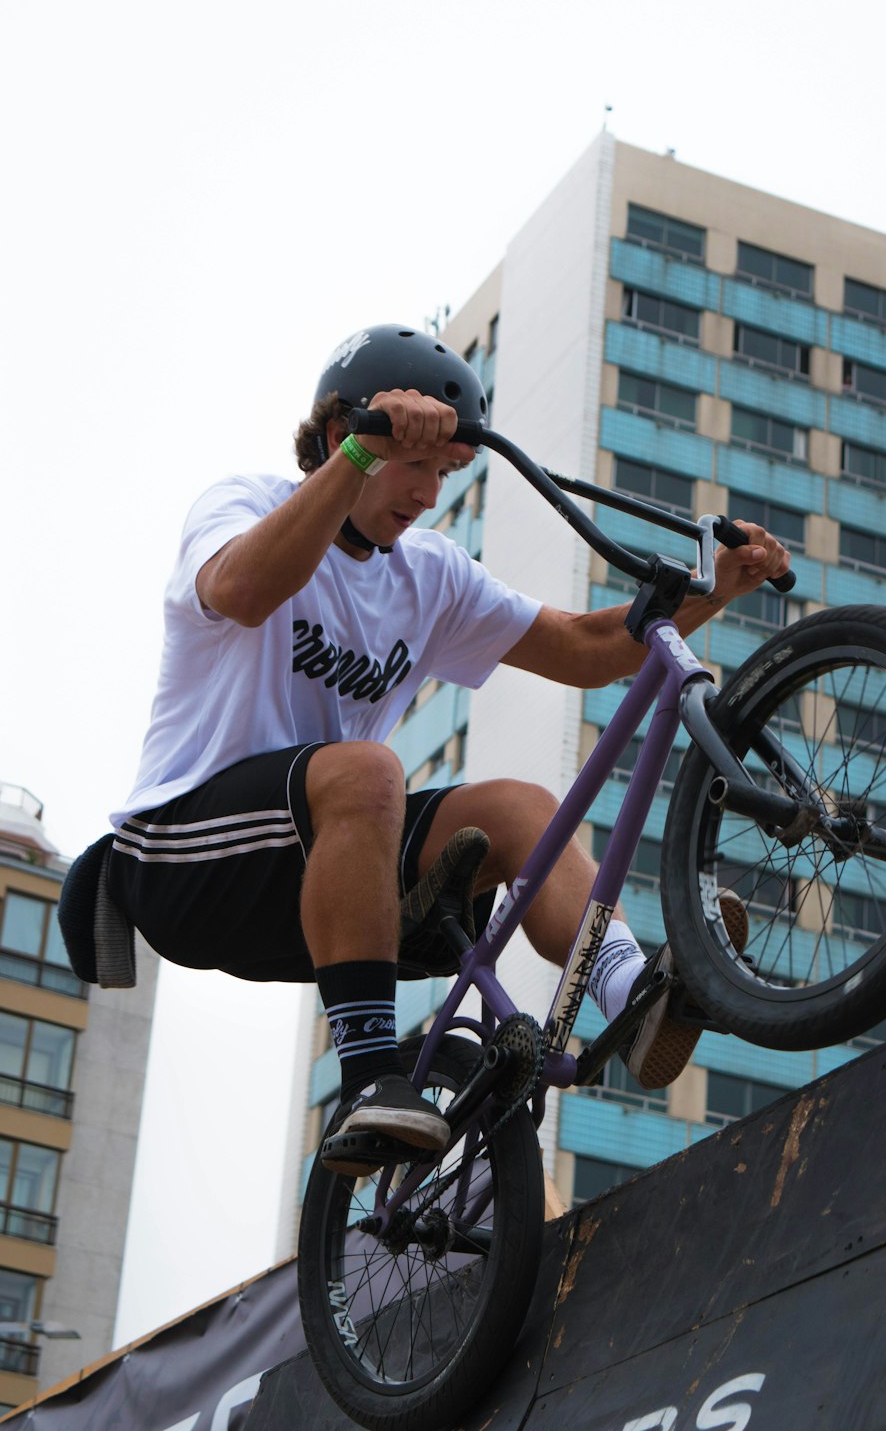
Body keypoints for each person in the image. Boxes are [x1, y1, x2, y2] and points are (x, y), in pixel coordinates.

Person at [106, 324, 790, 1172]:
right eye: (415, 466)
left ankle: (629, 989)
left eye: (445, 474)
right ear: (338, 439)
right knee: (366, 770)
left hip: (323, 866)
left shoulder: (429, 574)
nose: (430, 494)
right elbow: (243, 591)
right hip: (180, 858)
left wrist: (712, 591)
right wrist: (359, 453)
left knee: (517, 807)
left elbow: (582, 647)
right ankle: (368, 1081)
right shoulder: (240, 504)